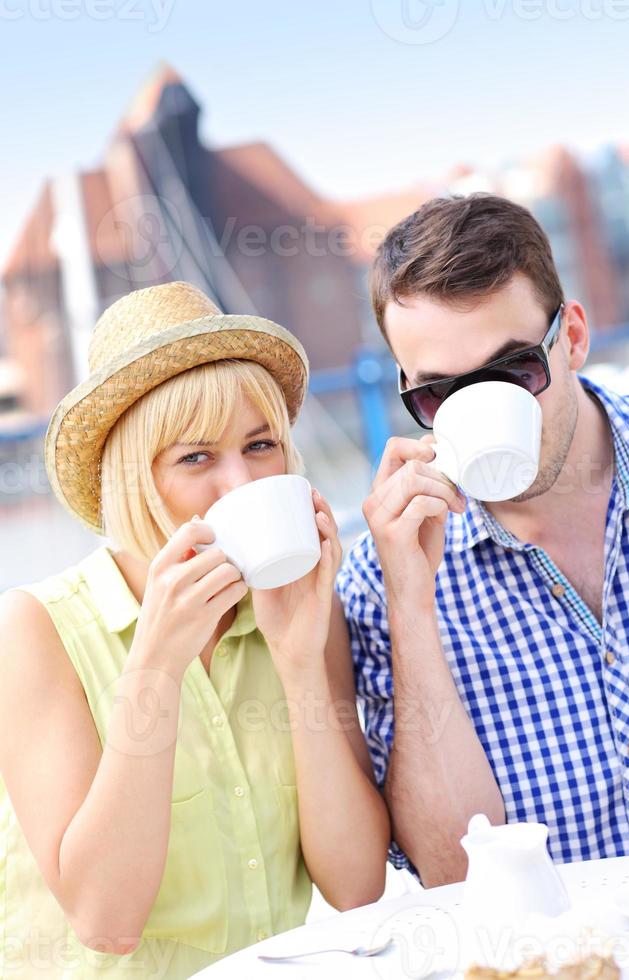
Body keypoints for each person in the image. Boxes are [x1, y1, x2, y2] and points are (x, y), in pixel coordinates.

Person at [0, 282, 389, 979]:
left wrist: (301, 665)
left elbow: (357, 885)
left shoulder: (298, 612)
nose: (239, 483)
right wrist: (155, 667)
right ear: (131, 480)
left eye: (260, 444)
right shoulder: (36, 631)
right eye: (196, 457)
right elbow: (105, 920)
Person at [336, 193, 629, 887]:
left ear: (571, 338)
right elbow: (455, 877)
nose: (478, 410)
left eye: (514, 371)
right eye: (438, 395)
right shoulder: (380, 578)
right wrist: (412, 609)